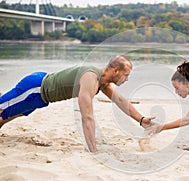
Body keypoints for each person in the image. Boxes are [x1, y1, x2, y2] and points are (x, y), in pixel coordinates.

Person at [0, 55, 153, 153]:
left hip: (41, 98)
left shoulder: (103, 82)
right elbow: (87, 117)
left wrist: (141, 119)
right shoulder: (90, 78)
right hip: (35, 88)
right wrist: (93, 150)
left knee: (10, 114)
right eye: (126, 75)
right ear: (115, 71)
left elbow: (120, 101)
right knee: (2, 107)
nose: (126, 79)